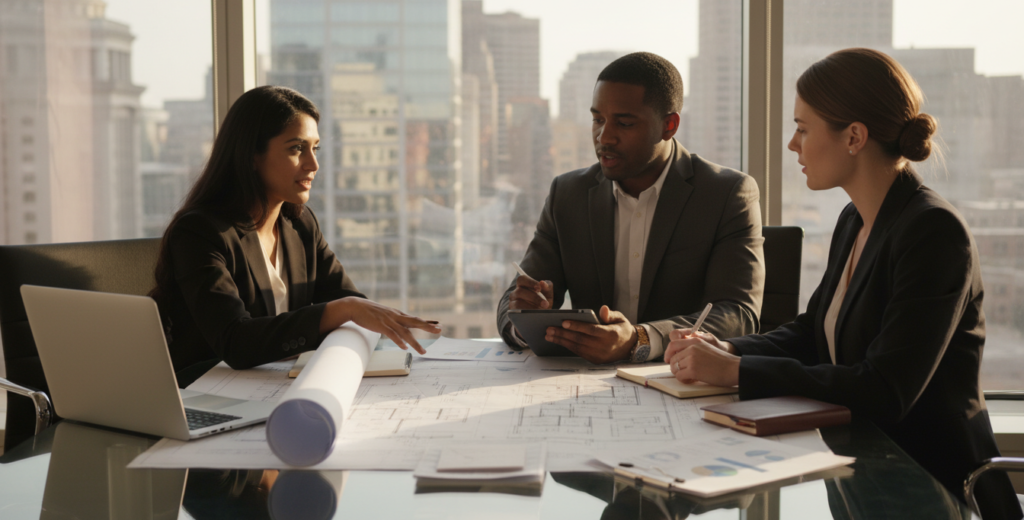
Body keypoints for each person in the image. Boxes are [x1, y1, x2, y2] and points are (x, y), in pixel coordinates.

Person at [664, 48, 1020, 519]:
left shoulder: (934, 233)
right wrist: (731, 351)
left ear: (853, 137)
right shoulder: (855, 219)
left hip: (932, 489)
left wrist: (735, 374)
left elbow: (885, 389)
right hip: (862, 478)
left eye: (803, 128)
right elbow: (815, 330)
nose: (793, 145)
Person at [152, 86, 440, 378]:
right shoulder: (199, 232)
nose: (313, 164)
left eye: (314, 148)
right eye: (296, 149)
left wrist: (357, 311)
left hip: (275, 387)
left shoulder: (300, 226)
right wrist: (344, 309)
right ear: (252, 155)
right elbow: (235, 341)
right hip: (204, 393)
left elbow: (352, 306)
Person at [497, 52, 765, 364]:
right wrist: (525, 316)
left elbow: (738, 314)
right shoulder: (568, 195)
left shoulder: (726, 195)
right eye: (598, 119)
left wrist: (639, 339)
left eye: (624, 123)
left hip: (680, 380)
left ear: (669, 125)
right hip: (584, 386)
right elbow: (513, 301)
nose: (604, 136)